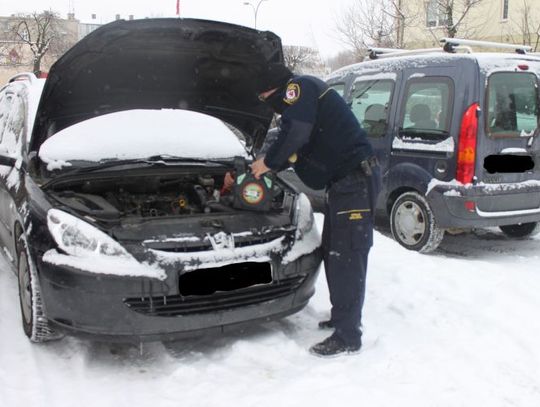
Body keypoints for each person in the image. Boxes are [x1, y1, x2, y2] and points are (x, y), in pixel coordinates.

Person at [251, 63, 381, 357]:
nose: (266, 103)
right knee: (334, 251)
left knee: (347, 254)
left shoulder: (300, 89)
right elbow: (293, 141)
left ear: (275, 87)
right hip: (344, 183)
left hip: (356, 180)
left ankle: (349, 336)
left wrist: (268, 162)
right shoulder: (300, 102)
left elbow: (297, 132)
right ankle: (341, 317)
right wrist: (266, 162)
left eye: (264, 96)